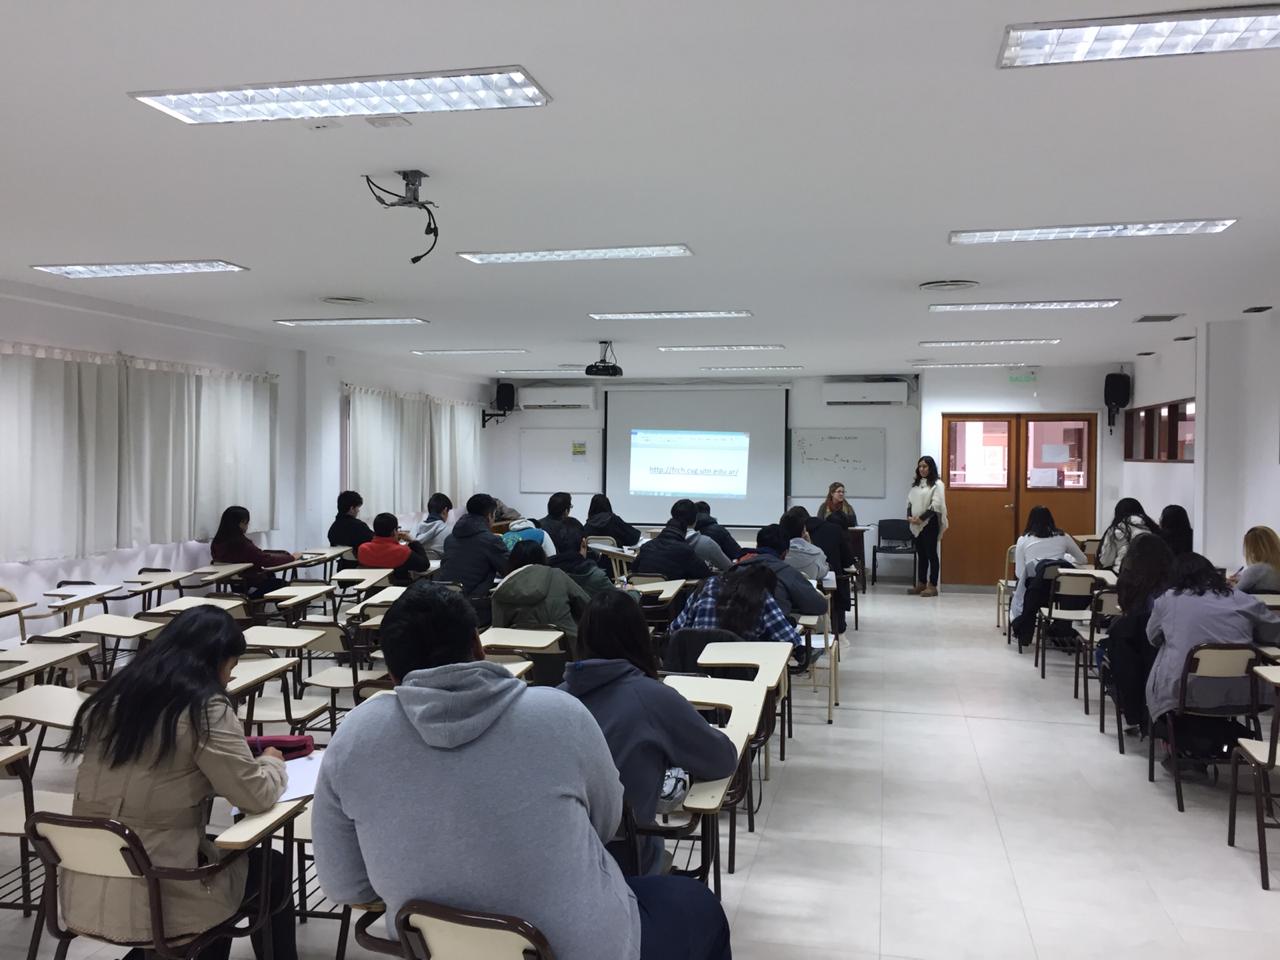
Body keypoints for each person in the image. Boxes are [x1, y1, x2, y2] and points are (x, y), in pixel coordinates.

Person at [311, 582, 732, 960]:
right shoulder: (558, 712)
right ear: (479, 646)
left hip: (436, 949)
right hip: (582, 946)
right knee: (699, 907)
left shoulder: (354, 736)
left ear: (393, 670)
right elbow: (605, 824)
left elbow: (344, 886)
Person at [63, 608, 295, 960]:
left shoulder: (111, 699)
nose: (230, 680)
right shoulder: (204, 709)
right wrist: (271, 763)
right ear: (214, 662)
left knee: (218, 862)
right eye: (230, 668)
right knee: (270, 868)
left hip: (86, 883)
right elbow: (256, 796)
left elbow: (151, 780)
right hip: (157, 886)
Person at [561, 591, 738, 875]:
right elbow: (722, 759)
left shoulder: (554, 700)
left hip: (559, 855)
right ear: (640, 638)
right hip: (622, 862)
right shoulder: (653, 699)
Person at [1145, 553, 1280, 728]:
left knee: (1167, 649)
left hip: (1183, 692)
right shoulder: (1243, 599)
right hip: (1246, 692)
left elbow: (1153, 638)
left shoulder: (1167, 600)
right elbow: (1273, 632)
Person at [1098, 534, 1175, 730]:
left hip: (1136, 645)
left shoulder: (1130, 580)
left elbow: (1125, 609)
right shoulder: (1173, 582)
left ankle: (1127, 707)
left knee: (1101, 652)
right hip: (1169, 657)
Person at [670, 563, 804, 650]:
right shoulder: (761, 596)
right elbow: (790, 640)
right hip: (740, 676)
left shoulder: (706, 585)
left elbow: (675, 629)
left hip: (694, 670)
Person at [491, 540, 591, 641]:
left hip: (524, 652)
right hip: (570, 647)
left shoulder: (502, 590)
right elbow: (587, 605)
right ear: (542, 557)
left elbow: (498, 632)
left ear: (512, 561)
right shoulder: (556, 575)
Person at [1009, 506, 1087, 622]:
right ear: (1051, 519)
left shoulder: (1023, 540)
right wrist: (1066, 559)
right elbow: (1083, 560)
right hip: (1060, 590)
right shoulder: (1063, 537)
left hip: (1034, 591)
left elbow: (1019, 573)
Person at [737, 524, 828, 617]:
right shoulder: (787, 573)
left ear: (757, 546)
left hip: (732, 627)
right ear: (785, 553)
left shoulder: (737, 568)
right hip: (773, 628)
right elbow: (819, 606)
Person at [210, 505, 298, 597]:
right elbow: (266, 560)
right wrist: (292, 558)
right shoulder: (243, 544)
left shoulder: (216, 543)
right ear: (242, 522)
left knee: (271, 577)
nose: (248, 526)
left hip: (236, 589)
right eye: (247, 523)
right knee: (285, 586)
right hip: (252, 587)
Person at [437, 494, 510, 596]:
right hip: (472, 601)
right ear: (489, 515)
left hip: (443, 596)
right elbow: (508, 570)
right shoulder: (491, 541)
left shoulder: (450, 538)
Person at [803, 507, 857, 635]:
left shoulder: (794, 541)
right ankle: (839, 625)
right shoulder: (836, 531)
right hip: (830, 583)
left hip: (806, 592)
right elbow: (848, 560)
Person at [632, 501, 713, 581]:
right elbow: (705, 574)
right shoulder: (685, 551)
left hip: (642, 591)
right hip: (673, 593)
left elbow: (634, 570)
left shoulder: (647, 546)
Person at [907, 455, 947, 597]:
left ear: (931, 468)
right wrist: (910, 517)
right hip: (916, 525)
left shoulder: (937, 484)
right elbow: (910, 503)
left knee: (931, 555)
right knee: (921, 555)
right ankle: (921, 583)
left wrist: (922, 519)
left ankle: (933, 585)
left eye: (925, 466)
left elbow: (936, 505)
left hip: (930, 524)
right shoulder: (916, 485)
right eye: (920, 466)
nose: (922, 469)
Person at [549, 519, 618, 597]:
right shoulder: (596, 577)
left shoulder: (547, 573)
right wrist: (632, 590)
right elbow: (621, 600)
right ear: (584, 543)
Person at [357, 513, 432, 581]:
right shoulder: (402, 551)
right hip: (399, 591)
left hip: (371, 591)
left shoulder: (363, 549)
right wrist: (413, 541)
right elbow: (424, 565)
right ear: (394, 532)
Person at [1099, 497, 1160, 571]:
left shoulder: (1116, 529)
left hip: (1124, 573)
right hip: (1154, 574)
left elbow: (1106, 560)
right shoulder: (1153, 527)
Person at [681, 500, 732, 572]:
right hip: (699, 579)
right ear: (695, 519)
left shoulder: (664, 539)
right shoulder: (707, 542)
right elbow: (728, 566)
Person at [779, 507, 829, 580]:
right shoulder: (817, 553)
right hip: (808, 590)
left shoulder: (777, 554)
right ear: (804, 531)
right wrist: (810, 544)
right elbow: (824, 572)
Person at [1232, 526, 1280, 595]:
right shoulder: (1274, 568)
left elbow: (1234, 593)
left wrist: (1232, 585)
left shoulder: (1257, 569)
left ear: (1253, 549)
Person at [327, 491, 374, 561]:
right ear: (352, 509)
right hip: (362, 567)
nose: (358, 511)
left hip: (342, 568)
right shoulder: (359, 526)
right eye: (358, 507)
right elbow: (375, 542)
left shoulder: (332, 529)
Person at [412, 493, 453, 561]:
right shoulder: (449, 531)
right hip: (439, 570)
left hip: (417, 569)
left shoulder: (415, 529)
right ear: (445, 511)